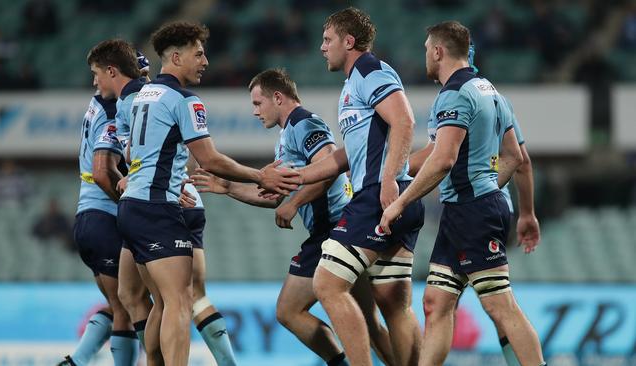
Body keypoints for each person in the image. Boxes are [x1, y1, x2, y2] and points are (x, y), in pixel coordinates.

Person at [115, 21, 298, 365]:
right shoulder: (185, 100)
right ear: (176, 56)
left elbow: (128, 154)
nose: (205, 61)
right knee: (181, 300)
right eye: (198, 54)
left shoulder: (143, 96)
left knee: (163, 301)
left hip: (131, 207)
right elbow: (209, 158)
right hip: (157, 210)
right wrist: (262, 175)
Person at [183, 68, 394, 366]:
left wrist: (294, 204)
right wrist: (228, 187)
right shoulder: (285, 138)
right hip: (341, 228)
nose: (255, 112)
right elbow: (274, 196)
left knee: (288, 310)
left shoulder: (304, 123)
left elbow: (328, 166)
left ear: (278, 97)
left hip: (333, 230)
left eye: (258, 104)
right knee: (370, 322)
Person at [263, 8, 424, 366]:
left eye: (327, 40)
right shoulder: (353, 85)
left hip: (377, 199)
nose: (322, 48)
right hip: (389, 199)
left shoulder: (368, 70)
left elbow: (404, 120)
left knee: (327, 285)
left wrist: (387, 182)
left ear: (348, 42)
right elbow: (347, 157)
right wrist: (299, 177)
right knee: (393, 306)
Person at [378, 21, 546, 366]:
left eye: (427, 49)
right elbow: (517, 158)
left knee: (499, 305)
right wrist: (525, 212)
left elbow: (443, 160)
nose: (425, 54)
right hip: (466, 211)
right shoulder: (491, 91)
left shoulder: (453, 95)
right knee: (436, 303)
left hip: (473, 212)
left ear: (438, 51)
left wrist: (400, 201)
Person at [112, 49, 238, 366]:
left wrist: (165, 180)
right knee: (177, 298)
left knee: (148, 298)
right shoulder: (167, 98)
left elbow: (131, 157)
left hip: (157, 202)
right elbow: (189, 154)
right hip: (175, 199)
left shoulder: (135, 103)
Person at [59, 39, 142, 366]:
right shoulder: (112, 108)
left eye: (96, 73)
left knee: (120, 302)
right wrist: (131, 205)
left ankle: (77, 360)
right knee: (129, 305)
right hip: (104, 217)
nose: (94, 81)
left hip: (89, 219)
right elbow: (102, 171)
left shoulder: (99, 103)